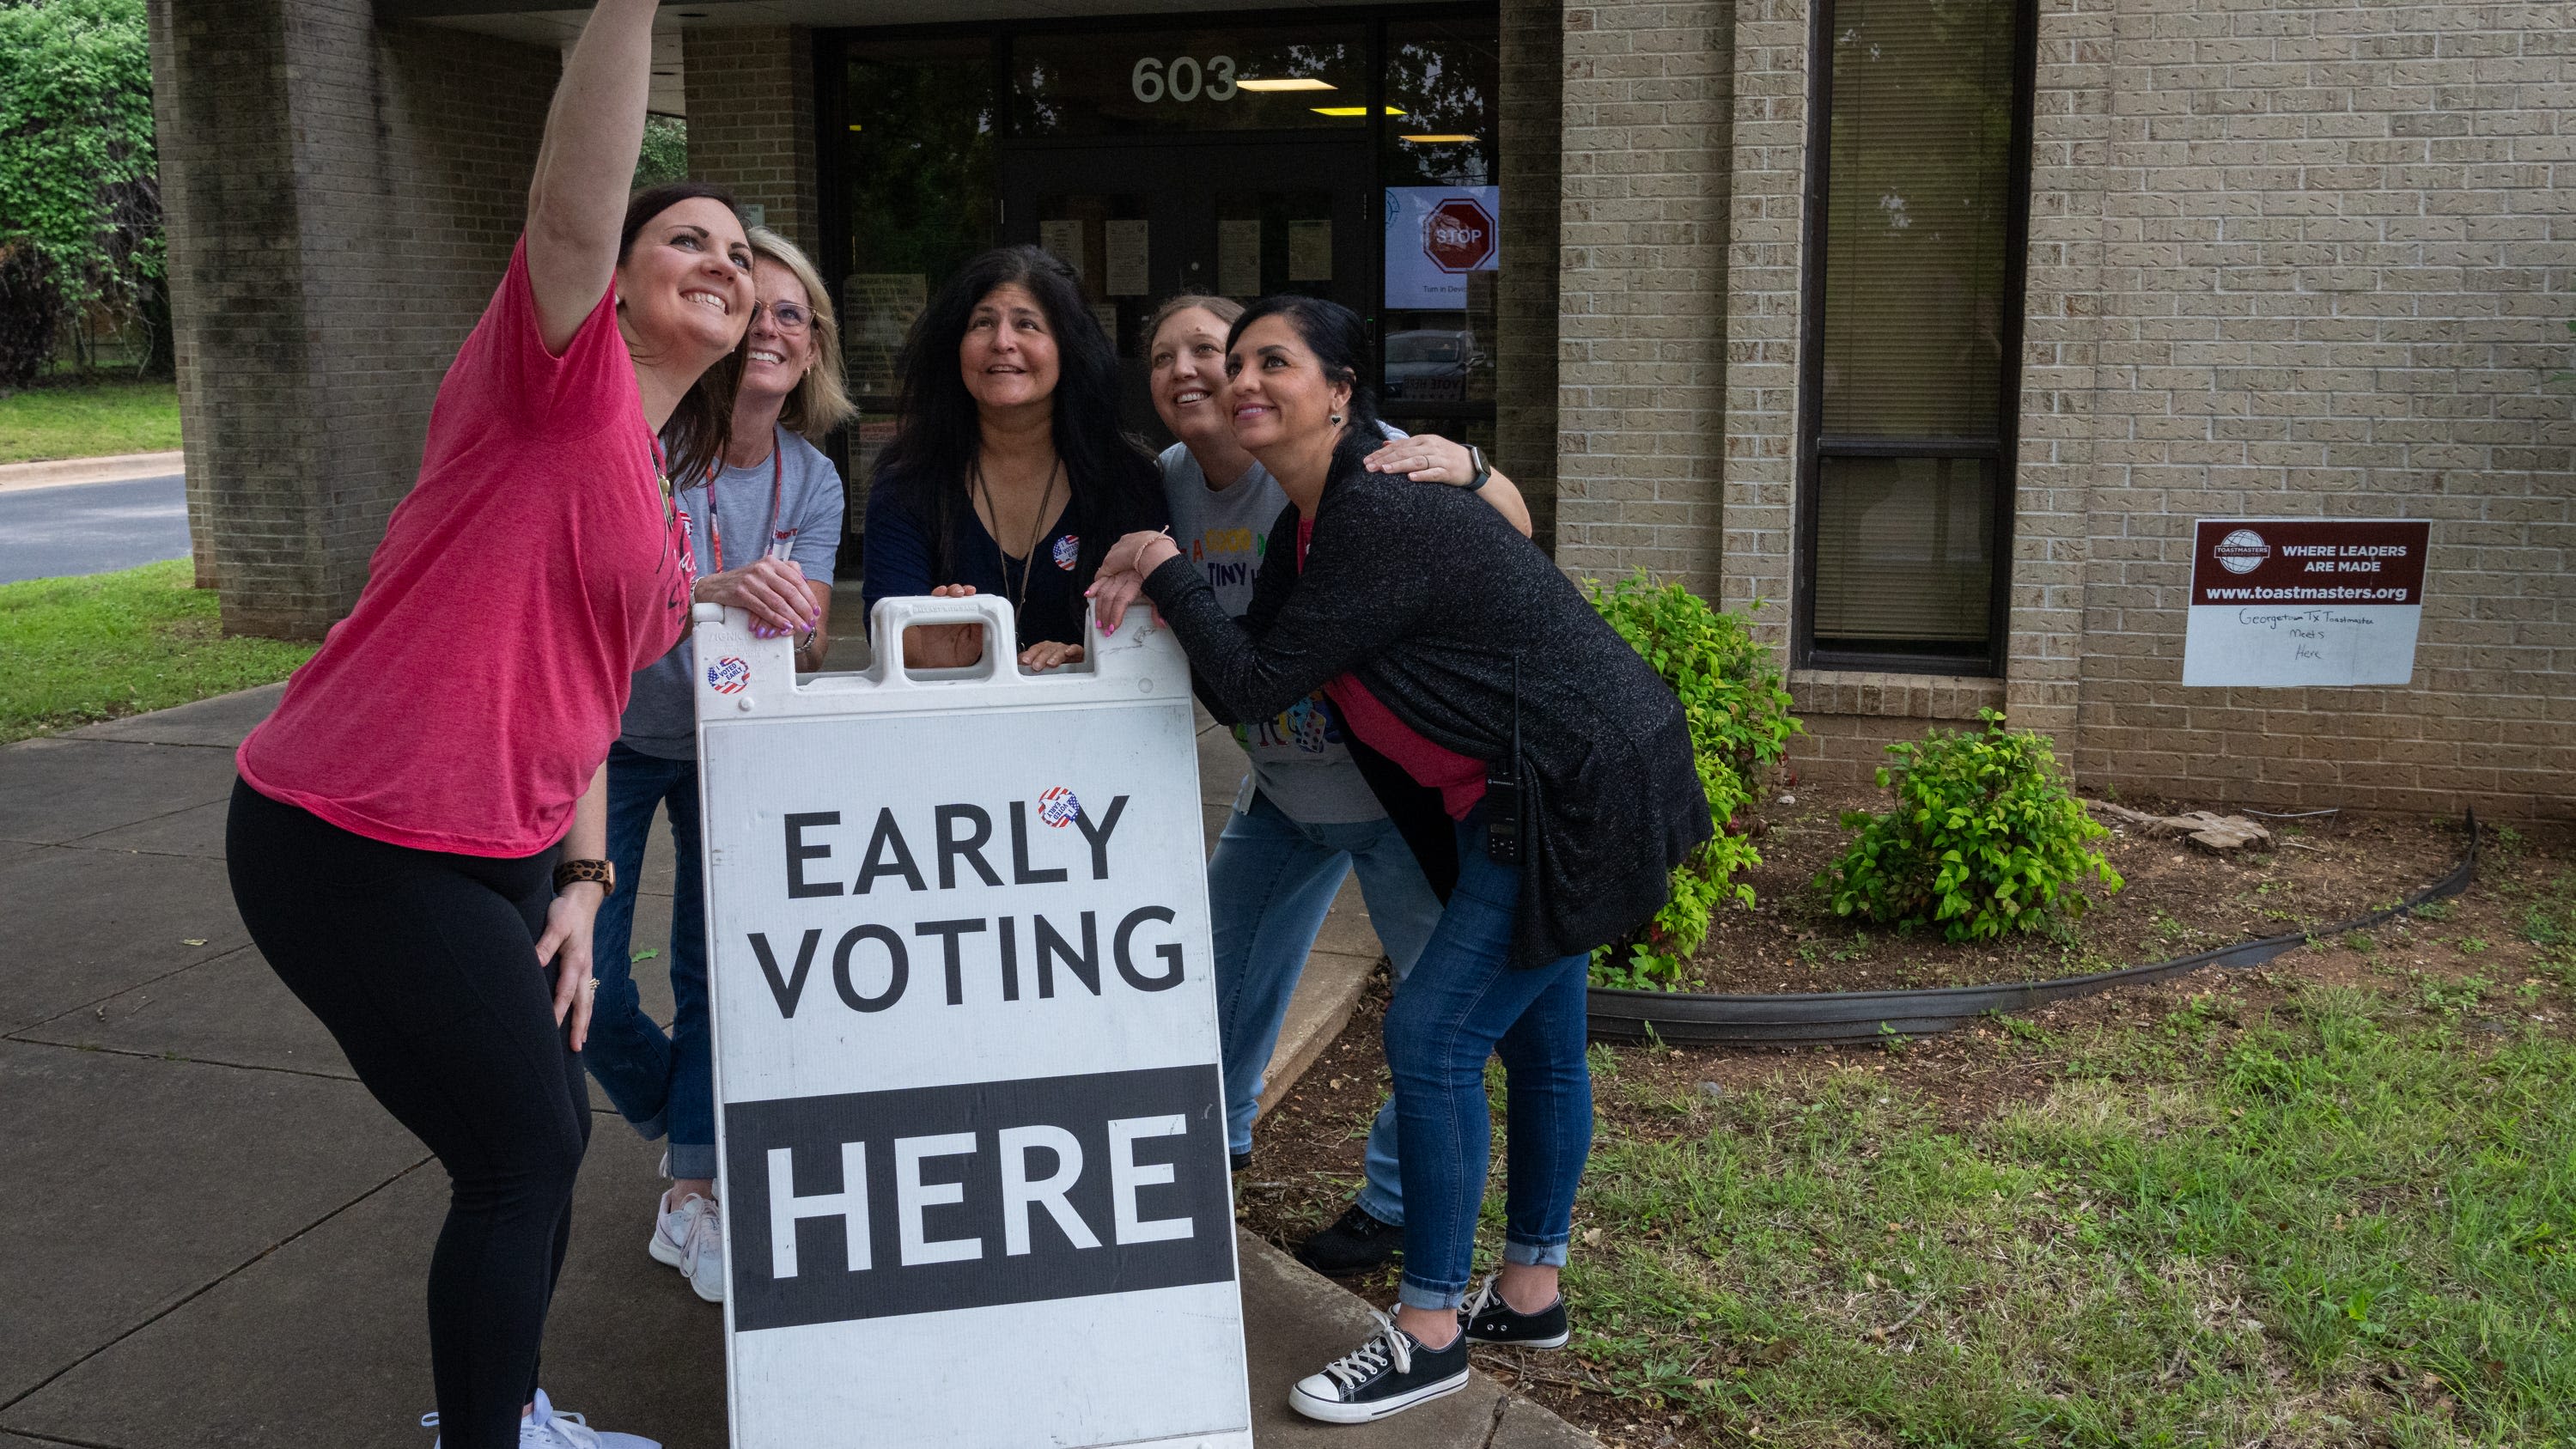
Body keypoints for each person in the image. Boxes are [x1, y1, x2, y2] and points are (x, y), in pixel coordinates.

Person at [222, 3, 739, 1443]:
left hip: (495, 851)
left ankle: (501, 1412)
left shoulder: (647, 482)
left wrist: (581, 880)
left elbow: (581, 700)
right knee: (520, 1150)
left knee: (545, 1139)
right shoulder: (548, 382)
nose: (722, 261)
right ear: (617, 285)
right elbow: (571, 202)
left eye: (741, 254)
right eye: (686, 237)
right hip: (349, 830)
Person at [1091, 295, 1708, 1425]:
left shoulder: (1375, 506)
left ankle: (1426, 1332)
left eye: (1272, 360)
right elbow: (1253, 656)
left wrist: (1162, 560)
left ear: (1339, 391)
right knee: (1536, 1036)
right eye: (1234, 364)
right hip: (1519, 792)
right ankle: (1527, 1289)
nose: (1241, 379)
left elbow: (1247, 683)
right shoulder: (1307, 523)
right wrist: (1154, 594)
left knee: (1429, 1034)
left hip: (1575, 793)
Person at [1140, 294, 1532, 1277]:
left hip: (1392, 794)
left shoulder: (1361, 455)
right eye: (1165, 358)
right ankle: (1206, 1154)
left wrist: (1480, 469)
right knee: (1215, 981)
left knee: (1429, 1021)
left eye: (1219, 351)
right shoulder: (1163, 486)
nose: (1199, 372)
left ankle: (1395, 1205)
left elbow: (1510, 539)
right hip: (1279, 788)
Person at [583, 227, 852, 1305]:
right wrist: (717, 587)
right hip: (606, 734)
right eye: (757, 307)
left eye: (795, 314)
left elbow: (814, 638)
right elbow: (594, 601)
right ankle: (677, 1116)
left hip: (727, 746)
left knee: (715, 972)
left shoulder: (814, 479)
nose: (772, 327)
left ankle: (692, 1186)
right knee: (582, 983)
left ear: (812, 346)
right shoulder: (637, 445)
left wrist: (793, 619)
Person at [862, 245, 1164, 671]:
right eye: (983, 323)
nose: (1002, 342)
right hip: (952, 724)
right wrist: (934, 645)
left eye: (1027, 324)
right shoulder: (907, 483)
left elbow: (1148, 635)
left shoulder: (1127, 479)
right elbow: (887, 636)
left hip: (1092, 722)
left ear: (1068, 347)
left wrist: (1087, 658)